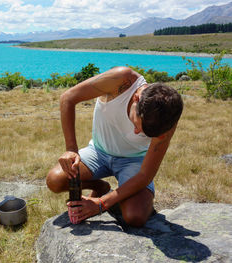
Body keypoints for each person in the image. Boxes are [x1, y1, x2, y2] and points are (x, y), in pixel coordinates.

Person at [46, 66, 183, 227]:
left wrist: (101, 204)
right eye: (136, 123)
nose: (136, 131)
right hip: (98, 152)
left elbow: (145, 174)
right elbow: (67, 98)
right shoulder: (121, 80)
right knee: (55, 180)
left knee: (135, 217)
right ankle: (101, 187)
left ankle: (121, 195)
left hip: (134, 161)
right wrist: (71, 149)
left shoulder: (167, 119)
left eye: (145, 134)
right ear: (136, 98)